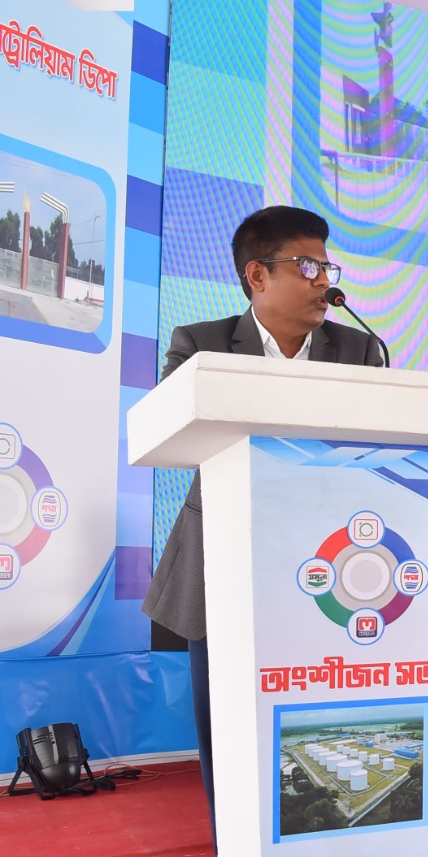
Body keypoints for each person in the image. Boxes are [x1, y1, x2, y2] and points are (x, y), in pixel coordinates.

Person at [141, 206, 385, 824]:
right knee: (226, 723)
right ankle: (234, 849)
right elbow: (171, 433)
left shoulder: (360, 349)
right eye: (307, 265)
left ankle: (324, 835)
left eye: (327, 267)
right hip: (224, 559)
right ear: (257, 275)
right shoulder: (201, 344)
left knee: (321, 723)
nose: (324, 281)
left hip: (333, 562)